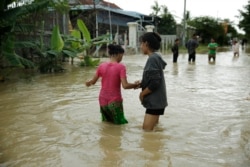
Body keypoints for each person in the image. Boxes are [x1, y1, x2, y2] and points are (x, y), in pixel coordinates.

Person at [85, 44, 140, 125]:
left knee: (107, 124)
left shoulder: (101, 66)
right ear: (119, 54)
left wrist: (88, 83)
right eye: (122, 55)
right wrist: (136, 85)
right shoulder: (121, 67)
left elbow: (92, 82)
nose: (122, 58)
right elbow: (125, 85)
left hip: (102, 100)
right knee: (120, 125)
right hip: (114, 100)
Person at [139, 32, 168, 131]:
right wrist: (142, 83)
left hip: (154, 102)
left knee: (146, 131)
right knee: (154, 131)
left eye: (141, 43)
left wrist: (142, 94)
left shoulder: (152, 59)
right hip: (158, 101)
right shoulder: (157, 56)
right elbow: (154, 77)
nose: (141, 46)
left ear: (146, 44)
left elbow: (155, 82)